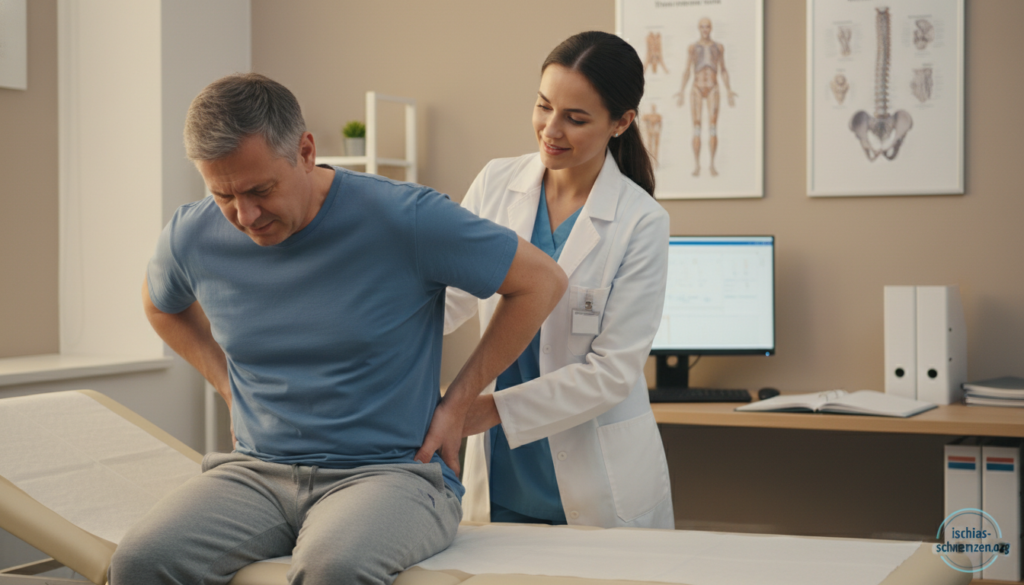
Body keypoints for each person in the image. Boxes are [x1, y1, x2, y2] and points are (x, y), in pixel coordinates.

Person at [109, 73, 567, 585]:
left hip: (391, 473)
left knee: (333, 567)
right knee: (140, 562)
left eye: (261, 190)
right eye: (223, 196)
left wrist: (458, 403)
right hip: (258, 472)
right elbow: (161, 307)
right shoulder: (192, 234)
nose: (246, 215)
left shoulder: (405, 218)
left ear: (305, 151)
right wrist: (225, 384)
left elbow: (541, 281)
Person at [445, 31, 674, 529]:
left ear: (622, 122)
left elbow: (613, 372)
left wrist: (486, 410)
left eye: (575, 118)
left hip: (596, 477)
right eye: (544, 106)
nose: (551, 129)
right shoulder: (495, 184)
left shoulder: (641, 221)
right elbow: (449, 296)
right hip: (504, 469)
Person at [674, 17, 738, 177]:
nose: (705, 30)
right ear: (698, 28)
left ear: (711, 28)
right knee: (696, 127)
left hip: (713, 87)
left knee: (713, 127)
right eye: (702, 27)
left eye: (707, 27)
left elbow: (723, 69)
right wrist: (681, 90)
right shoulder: (693, 48)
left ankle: (712, 165)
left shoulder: (718, 47)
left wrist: (729, 89)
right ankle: (696, 165)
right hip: (696, 87)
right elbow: (687, 69)